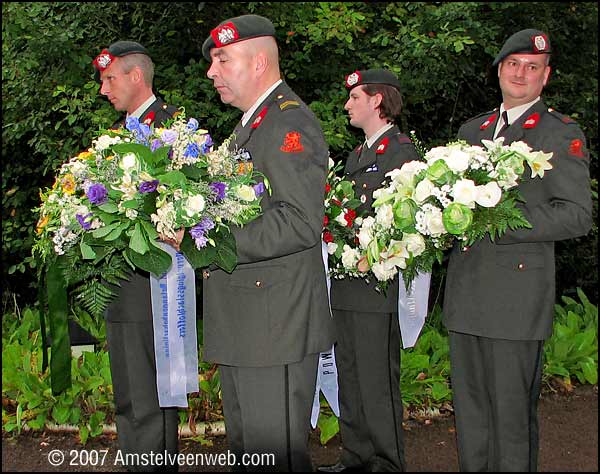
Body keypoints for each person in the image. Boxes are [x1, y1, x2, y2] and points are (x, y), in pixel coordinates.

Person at [443, 29, 592, 472]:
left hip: (516, 298)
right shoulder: (474, 130)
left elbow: (576, 215)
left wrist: (500, 223)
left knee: (510, 418)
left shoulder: (558, 132)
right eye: (513, 64)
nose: (520, 73)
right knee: (470, 413)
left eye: (532, 67)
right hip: (467, 292)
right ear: (500, 71)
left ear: (545, 78)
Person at [200, 14, 335, 471]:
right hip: (250, 322)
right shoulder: (250, 126)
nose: (211, 71)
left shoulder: (287, 124)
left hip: (273, 327)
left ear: (259, 63)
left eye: (222, 59)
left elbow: (300, 222)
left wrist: (209, 243)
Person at [318, 70, 421, 473]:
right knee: (351, 375)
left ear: (377, 100)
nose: (348, 105)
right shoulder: (357, 156)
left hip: (378, 287)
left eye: (355, 97)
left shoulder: (401, 153)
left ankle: (386, 461)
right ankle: (356, 454)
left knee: (377, 380)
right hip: (346, 284)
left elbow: (403, 221)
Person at [92, 40, 180, 471]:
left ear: (135, 76)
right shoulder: (118, 136)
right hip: (121, 284)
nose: (104, 89)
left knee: (148, 392)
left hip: (153, 284)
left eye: (110, 79)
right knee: (129, 389)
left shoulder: (171, 130)